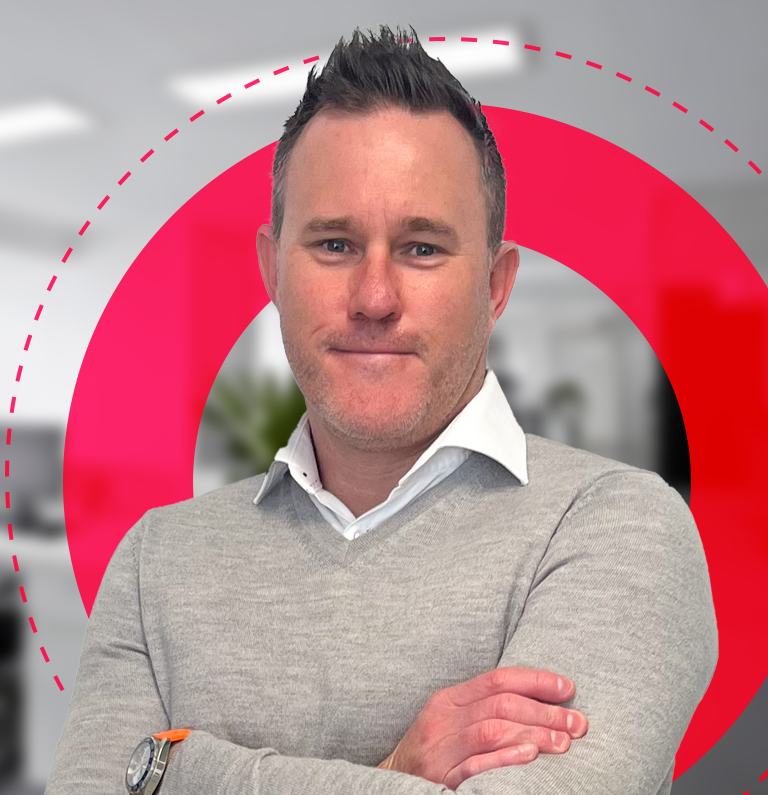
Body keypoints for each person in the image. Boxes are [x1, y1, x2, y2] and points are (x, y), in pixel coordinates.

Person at [44, 25, 717, 795]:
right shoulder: (154, 562)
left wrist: (176, 769)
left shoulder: (617, 528)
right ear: (272, 271)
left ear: (495, 285)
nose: (374, 297)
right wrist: (398, 771)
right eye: (334, 244)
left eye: (422, 248)